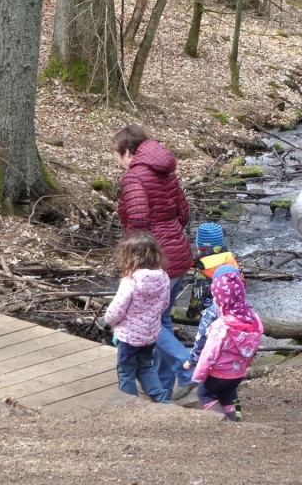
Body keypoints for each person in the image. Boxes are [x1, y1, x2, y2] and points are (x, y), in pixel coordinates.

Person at [113, 124, 196, 401]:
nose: (117, 161)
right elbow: (183, 213)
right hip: (179, 254)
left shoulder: (134, 178)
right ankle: (161, 386)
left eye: (117, 155)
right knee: (162, 319)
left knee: (153, 324)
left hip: (154, 260)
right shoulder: (167, 171)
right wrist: (170, 232)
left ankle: (187, 368)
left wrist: (136, 259)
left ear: (127, 152)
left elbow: (137, 225)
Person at [186, 266, 263, 421]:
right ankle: (238, 420)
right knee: (230, 394)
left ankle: (223, 424)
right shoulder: (254, 319)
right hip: (238, 372)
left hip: (218, 373)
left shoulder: (221, 326)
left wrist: (198, 375)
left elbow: (209, 353)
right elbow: (253, 347)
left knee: (204, 393)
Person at [103, 231, 171, 403]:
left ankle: (130, 404)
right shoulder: (164, 278)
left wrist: (108, 320)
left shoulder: (130, 281)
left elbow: (117, 310)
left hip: (129, 337)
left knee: (126, 371)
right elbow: (164, 305)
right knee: (146, 367)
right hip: (150, 335)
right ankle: (162, 400)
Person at [186, 222, 244, 419]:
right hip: (234, 317)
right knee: (230, 389)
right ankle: (237, 418)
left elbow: (199, 296)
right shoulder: (231, 260)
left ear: (201, 246)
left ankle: (220, 423)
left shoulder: (203, 267)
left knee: (207, 389)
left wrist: (193, 312)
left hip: (214, 321)